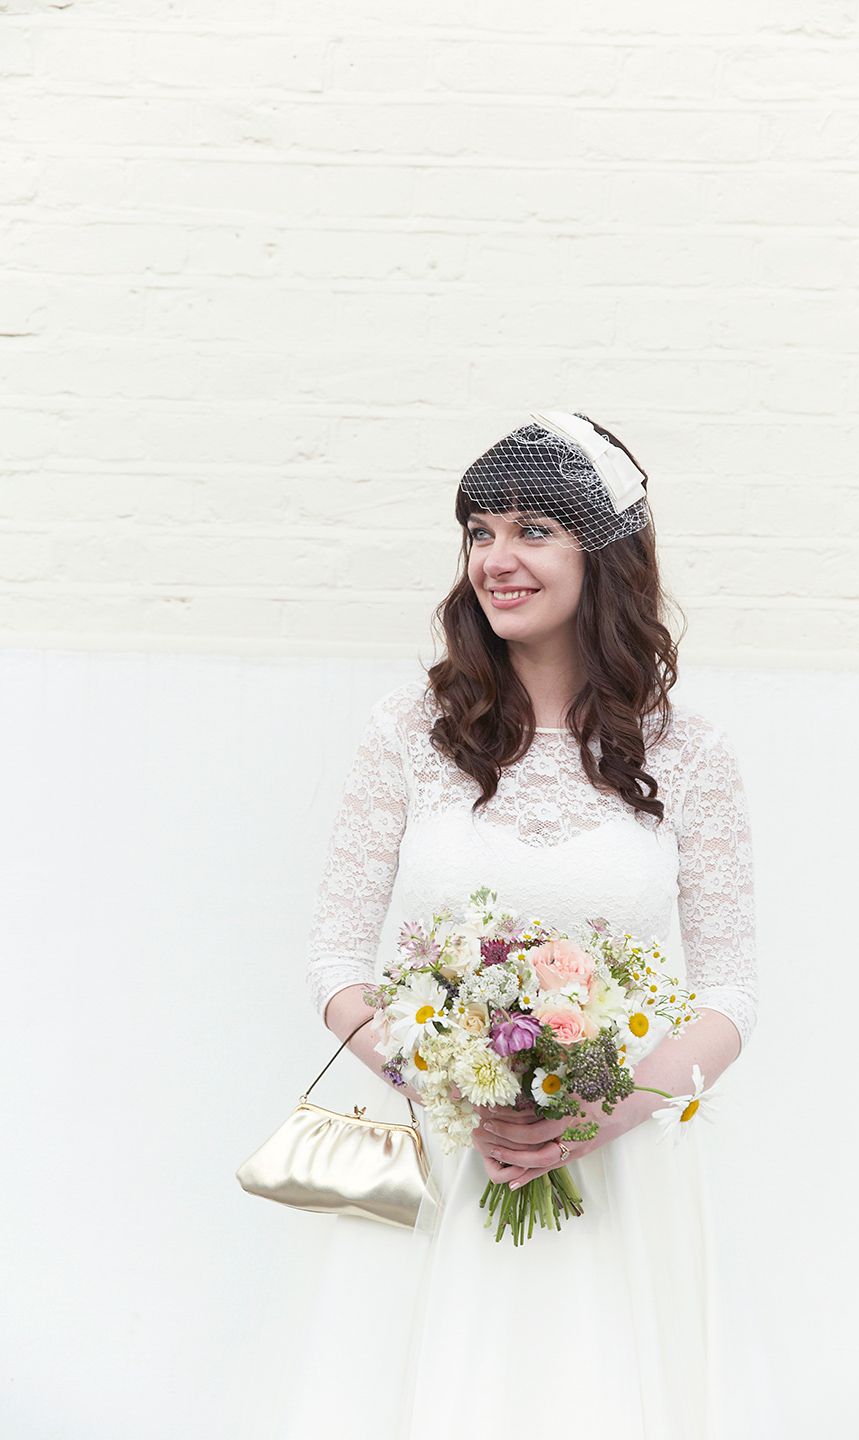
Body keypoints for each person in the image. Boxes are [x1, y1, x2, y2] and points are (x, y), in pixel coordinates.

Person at [280, 412, 759, 1440]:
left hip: (623, 1168)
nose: (496, 558)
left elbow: (730, 995)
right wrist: (450, 1079)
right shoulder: (409, 735)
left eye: (533, 529)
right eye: (479, 530)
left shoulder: (693, 754)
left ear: (607, 553)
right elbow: (332, 959)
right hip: (451, 1152)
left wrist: (605, 1112)